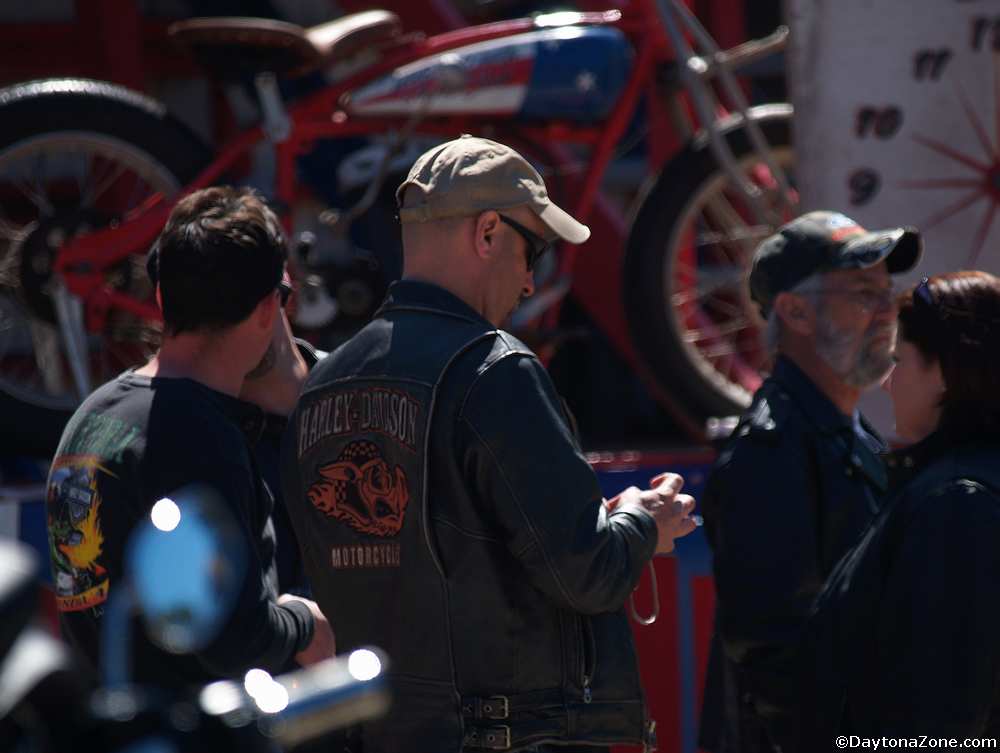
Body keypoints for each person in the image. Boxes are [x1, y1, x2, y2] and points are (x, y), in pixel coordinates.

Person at [281, 135, 699, 752]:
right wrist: (644, 522)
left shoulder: (322, 385)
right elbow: (586, 572)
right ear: (486, 234)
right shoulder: (495, 370)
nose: (531, 282)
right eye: (532, 253)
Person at [44, 186, 334, 690]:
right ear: (270, 309)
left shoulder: (94, 414)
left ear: (160, 296)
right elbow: (237, 638)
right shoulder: (199, 435)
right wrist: (306, 626)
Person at [697, 211, 922, 753]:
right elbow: (774, 656)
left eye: (888, 292)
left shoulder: (848, 435)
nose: (889, 309)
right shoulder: (772, 451)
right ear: (795, 312)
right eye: (864, 294)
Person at [802, 271, 1000, 743]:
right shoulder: (955, 485)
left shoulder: (958, 501)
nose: (887, 383)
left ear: (946, 371)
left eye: (900, 361)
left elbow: (940, 717)